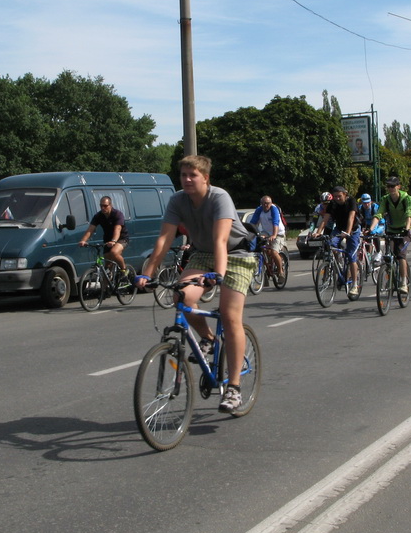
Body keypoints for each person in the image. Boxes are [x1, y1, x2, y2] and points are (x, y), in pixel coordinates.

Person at [136, 156, 256, 414]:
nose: (187, 179)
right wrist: (146, 274)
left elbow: (221, 240)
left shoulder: (219, 197)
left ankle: (234, 387)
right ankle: (208, 338)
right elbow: (164, 239)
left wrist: (217, 275)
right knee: (181, 297)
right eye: (183, 175)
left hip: (235, 255)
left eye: (193, 175)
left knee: (230, 316)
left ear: (206, 178)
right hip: (202, 254)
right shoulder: (177, 201)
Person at [314, 186, 361, 298]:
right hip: (339, 229)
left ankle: (354, 285)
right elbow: (325, 219)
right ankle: (338, 264)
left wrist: (348, 232)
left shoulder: (351, 201)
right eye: (335, 196)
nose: (337, 199)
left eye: (339, 196)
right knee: (330, 244)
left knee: (351, 256)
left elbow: (351, 218)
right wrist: (318, 232)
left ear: (345, 194)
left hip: (353, 230)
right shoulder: (332, 204)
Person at [378, 177, 411, 297]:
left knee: (400, 255)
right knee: (388, 256)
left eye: (392, 186)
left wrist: (407, 229)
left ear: (398, 186)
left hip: (404, 230)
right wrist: (371, 229)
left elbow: (409, 214)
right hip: (391, 230)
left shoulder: (406, 198)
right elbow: (379, 213)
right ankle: (390, 276)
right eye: (388, 186)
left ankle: (403, 283)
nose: (390, 189)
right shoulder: (385, 199)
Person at [79, 196, 130, 272]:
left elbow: (117, 229)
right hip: (108, 240)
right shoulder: (98, 216)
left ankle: (124, 270)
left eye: (105, 206)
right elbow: (90, 229)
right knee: (107, 265)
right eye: (101, 206)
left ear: (110, 205)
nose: (103, 208)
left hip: (121, 239)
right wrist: (83, 240)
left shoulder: (117, 214)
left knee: (114, 252)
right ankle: (108, 278)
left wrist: (113, 241)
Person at [249, 196, 285, 278]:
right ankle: (268, 265)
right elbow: (252, 223)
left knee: (274, 252)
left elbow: (275, 223)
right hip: (266, 232)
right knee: (261, 247)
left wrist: (274, 235)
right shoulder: (259, 210)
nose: (266, 205)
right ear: (261, 204)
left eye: (267, 203)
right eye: (263, 203)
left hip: (278, 233)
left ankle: (280, 272)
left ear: (271, 203)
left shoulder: (274, 209)